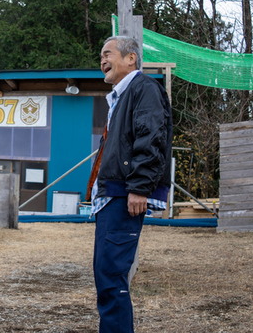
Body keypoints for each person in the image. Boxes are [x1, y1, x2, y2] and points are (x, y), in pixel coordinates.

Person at [86, 36, 173, 333]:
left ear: (131, 58)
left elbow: (151, 138)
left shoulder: (144, 88)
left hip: (125, 194)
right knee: (106, 272)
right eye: (101, 57)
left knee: (111, 275)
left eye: (107, 54)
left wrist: (139, 187)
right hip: (113, 195)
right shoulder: (121, 96)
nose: (102, 61)